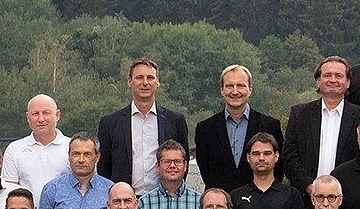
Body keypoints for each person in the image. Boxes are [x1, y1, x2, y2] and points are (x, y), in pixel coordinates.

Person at [95, 58, 187, 195]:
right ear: (129, 81)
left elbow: (182, 162)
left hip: (163, 199)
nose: (145, 83)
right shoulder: (110, 123)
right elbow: (104, 167)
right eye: (139, 77)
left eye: (150, 78)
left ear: (157, 82)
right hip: (124, 200)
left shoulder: (175, 121)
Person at [286, 57, 360, 194]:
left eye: (339, 76)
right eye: (327, 75)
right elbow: (289, 156)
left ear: (348, 82)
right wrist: (309, 186)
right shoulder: (300, 114)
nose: (333, 80)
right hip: (306, 197)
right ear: (318, 81)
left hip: (349, 196)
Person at [196, 64, 285, 195]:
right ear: (222, 90)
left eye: (241, 86)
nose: (235, 91)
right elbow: (206, 170)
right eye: (229, 86)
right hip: (221, 202)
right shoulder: (205, 129)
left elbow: (278, 167)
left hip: (260, 200)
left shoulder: (270, 126)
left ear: (250, 89)